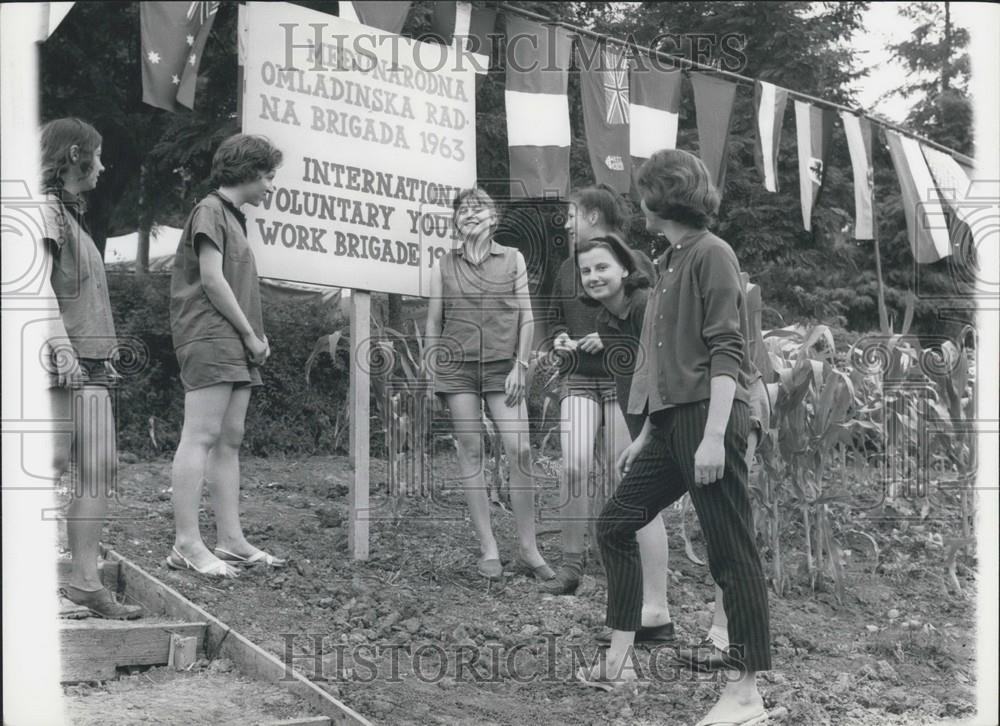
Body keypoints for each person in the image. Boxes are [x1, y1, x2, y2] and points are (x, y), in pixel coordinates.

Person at [582, 149, 771, 726]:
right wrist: (648, 435)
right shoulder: (668, 260)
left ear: (661, 197)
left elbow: (726, 350)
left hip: (709, 419)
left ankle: (745, 694)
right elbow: (664, 358)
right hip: (672, 424)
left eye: (644, 191)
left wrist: (714, 436)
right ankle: (621, 658)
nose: (638, 201)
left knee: (731, 552)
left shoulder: (712, 254)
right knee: (616, 523)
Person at [541, 186, 671, 638]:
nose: (566, 223)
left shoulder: (635, 259)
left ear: (594, 215)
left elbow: (651, 323)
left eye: (571, 215)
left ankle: (637, 583)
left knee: (626, 477)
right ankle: (571, 565)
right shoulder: (566, 267)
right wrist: (559, 338)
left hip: (624, 382)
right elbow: (554, 316)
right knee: (574, 464)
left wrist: (611, 337)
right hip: (578, 376)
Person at [166, 134, 285, 578]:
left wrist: (253, 335)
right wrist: (251, 333)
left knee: (230, 439)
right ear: (249, 172)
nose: (271, 186)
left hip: (235, 342)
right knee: (199, 436)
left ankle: (231, 541)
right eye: (269, 176)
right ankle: (186, 544)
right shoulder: (210, 210)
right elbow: (213, 281)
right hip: (210, 337)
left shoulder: (235, 219)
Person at [424, 187, 553, 581]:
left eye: (478, 210)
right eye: (463, 211)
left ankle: (529, 548)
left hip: (504, 367)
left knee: (522, 450)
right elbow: (433, 321)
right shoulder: (444, 264)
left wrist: (521, 365)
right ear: (456, 222)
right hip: (458, 367)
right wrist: (432, 372)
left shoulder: (512, 258)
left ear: (493, 218)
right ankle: (489, 548)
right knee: (471, 452)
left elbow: (527, 317)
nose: (470, 215)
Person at [42, 117, 143, 619]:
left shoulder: (73, 215)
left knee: (100, 470)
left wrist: (102, 354)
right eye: (97, 155)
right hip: (57, 359)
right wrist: (61, 344)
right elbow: (33, 285)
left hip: (94, 363)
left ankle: (85, 584)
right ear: (74, 156)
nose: (103, 166)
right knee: (49, 466)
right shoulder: (45, 211)